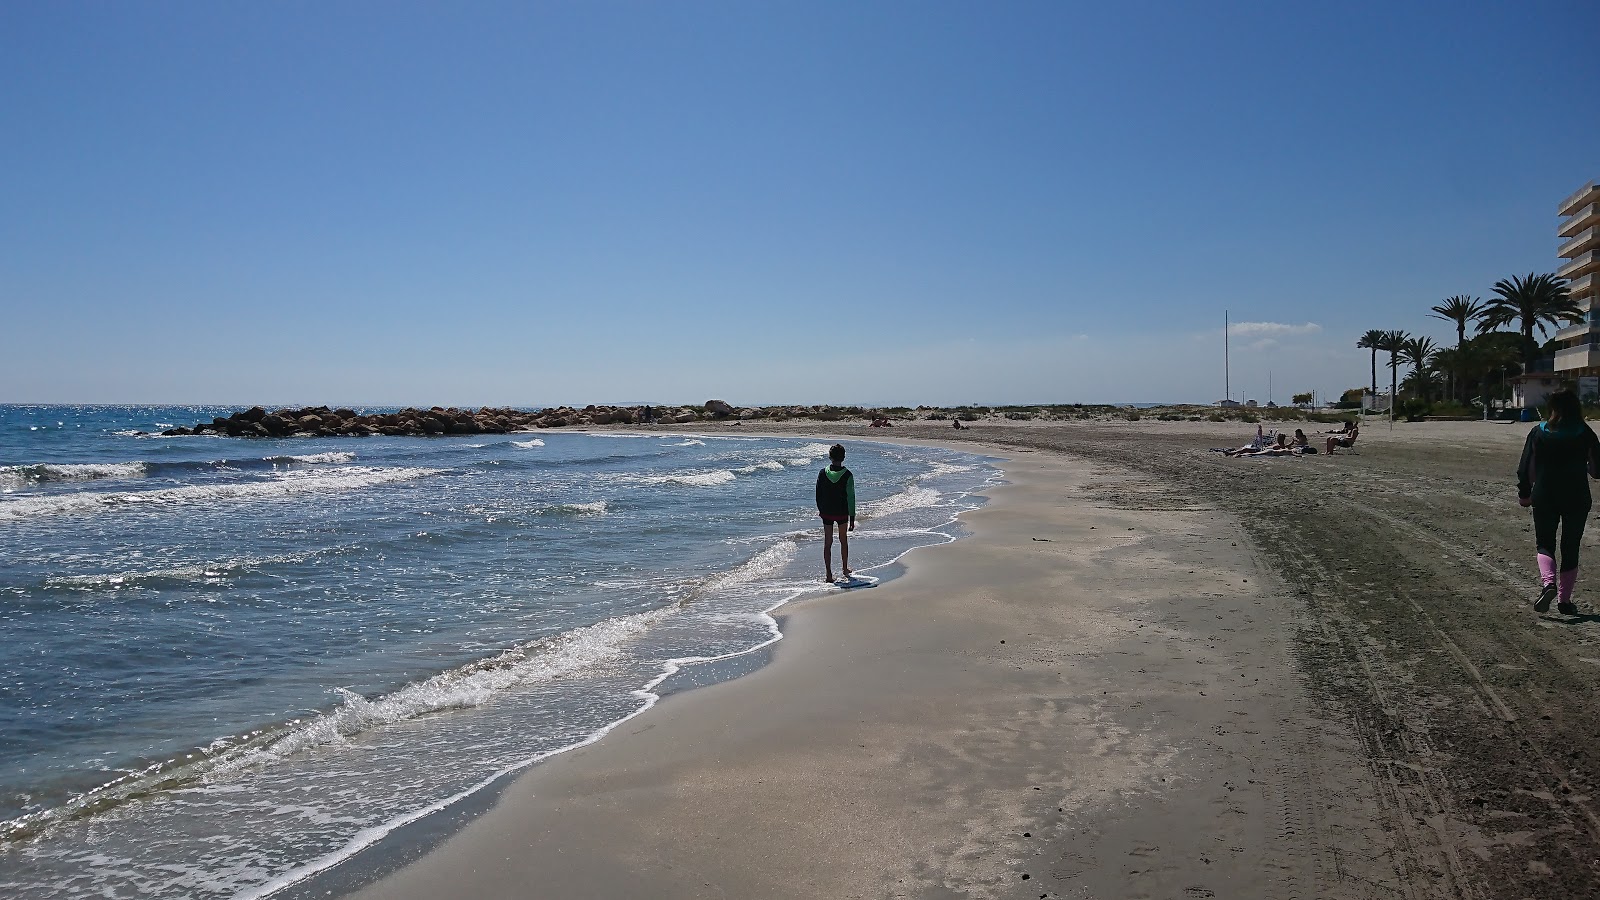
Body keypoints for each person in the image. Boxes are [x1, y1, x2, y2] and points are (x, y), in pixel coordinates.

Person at [1517, 389, 1600, 614]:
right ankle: (1564, 601)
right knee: (1570, 546)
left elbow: (1525, 467)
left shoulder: (1538, 432)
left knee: (1545, 542)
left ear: (1551, 407)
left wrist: (1525, 493)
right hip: (1577, 495)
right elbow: (1597, 470)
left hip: (1545, 495)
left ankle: (1548, 584)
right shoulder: (1585, 433)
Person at [815, 443, 857, 582]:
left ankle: (829, 575)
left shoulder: (822, 473)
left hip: (826, 511)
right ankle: (845, 569)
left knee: (828, 542)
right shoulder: (848, 475)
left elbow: (818, 494)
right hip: (842, 512)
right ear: (843, 457)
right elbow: (851, 497)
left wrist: (821, 510)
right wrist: (852, 518)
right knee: (843, 540)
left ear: (829, 457)